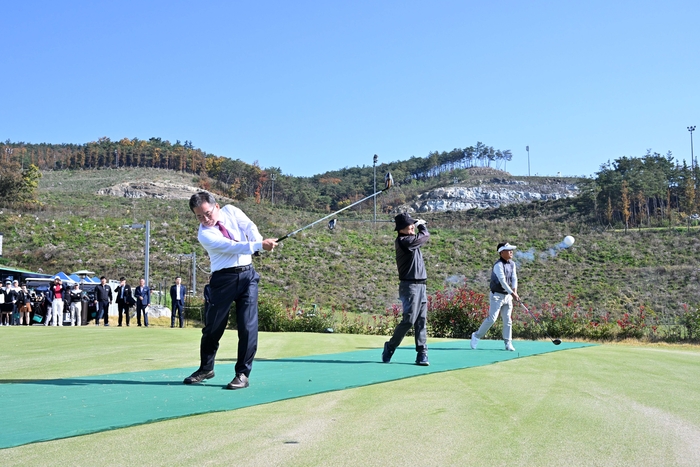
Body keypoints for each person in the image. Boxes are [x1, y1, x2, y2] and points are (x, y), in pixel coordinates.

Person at [184, 191, 277, 390]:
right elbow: (232, 246)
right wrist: (258, 245)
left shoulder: (232, 211)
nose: (206, 219)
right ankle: (206, 368)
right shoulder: (205, 234)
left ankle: (242, 374)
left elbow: (249, 226)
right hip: (223, 280)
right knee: (213, 327)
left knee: (247, 326)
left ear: (216, 206)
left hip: (247, 276)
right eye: (199, 216)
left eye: (208, 213)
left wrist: (259, 242)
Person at [382, 212, 431, 366]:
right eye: (409, 225)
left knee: (421, 320)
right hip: (409, 286)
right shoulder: (404, 241)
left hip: (421, 285)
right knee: (409, 320)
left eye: (412, 224)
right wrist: (421, 225)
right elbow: (425, 236)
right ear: (401, 229)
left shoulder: (410, 238)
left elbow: (420, 237)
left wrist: (417, 225)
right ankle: (390, 346)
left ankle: (422, 353)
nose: (412, 227)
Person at [471, 242, 520, 352]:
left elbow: (514, 278)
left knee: (508, 320)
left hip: (508, 296)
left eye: (511, 250)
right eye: (508, 250)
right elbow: (502, 281)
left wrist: (514, 292)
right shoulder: (498, 265)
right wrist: (513, 293)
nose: (511, 252)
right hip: (497, 296)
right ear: (501, 252)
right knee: (492, 319)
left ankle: (508, 343)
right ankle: (476, 336)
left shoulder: (512, 264)